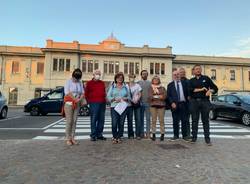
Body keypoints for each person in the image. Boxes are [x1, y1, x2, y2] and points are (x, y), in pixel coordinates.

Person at [189, 64, 218, 145]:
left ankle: (207, 139)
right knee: (194, 120)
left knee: (205, 121)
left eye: (199, 69)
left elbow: (215, 88)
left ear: (201, 70)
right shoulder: (191, 80)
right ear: (194, 71)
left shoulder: (206, 78)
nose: (198, 70)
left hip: (205, 102)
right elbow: (190, 90)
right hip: (194, 102)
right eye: (196, 69)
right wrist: (201, 89)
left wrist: (210, 91)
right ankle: (194, 138)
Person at [107, 72, 131, 144]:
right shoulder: (112, 86)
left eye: (121, 78)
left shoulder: (126, 87)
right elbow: (108, 96)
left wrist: (125, 98)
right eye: (118, 78)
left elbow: (129, 97)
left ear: (123, 79)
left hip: (123, 107)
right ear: (116, 79)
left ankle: (119, 137)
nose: (120, 79)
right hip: (114, 107)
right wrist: (114, 99)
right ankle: (114, 137)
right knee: (114, 123)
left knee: (121, 123)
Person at [63, 68, 85, 146]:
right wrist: (74, 99)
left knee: (75, 121)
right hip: (69, 103)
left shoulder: (80, 82)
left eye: (78, 78)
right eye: (75, 78)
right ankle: (68, 139)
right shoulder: (68, 82)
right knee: (69, 121)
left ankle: (73, 138)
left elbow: (82, 92)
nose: (76, 80)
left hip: (77, 103)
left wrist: (79, 99)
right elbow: (67, 92)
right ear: (73, 76)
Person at [167, 69, 189, 141]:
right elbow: (169, 96)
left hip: (184, 104)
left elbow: (189, 93)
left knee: (184, 121)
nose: (176, 76)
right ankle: (176, 135)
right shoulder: (170, 85)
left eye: (177, 74)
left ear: (180, 75)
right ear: (173, 76)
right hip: (175, 105)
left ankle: (185, 136)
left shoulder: (185, 83)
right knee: (175, 121)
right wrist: (171, 102)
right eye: (175, 75)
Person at [85, 70, 106, 141]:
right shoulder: (89, 83)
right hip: (93, 103)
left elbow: (104, 92)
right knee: (94, 119)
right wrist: (88, 102)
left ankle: (99, 134)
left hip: (102, 103)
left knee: (101, 120)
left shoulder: (102, 83)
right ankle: (93, 135)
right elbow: (86, 93)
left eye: (99, 74)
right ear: (93, 75)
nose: (98, 75)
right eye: (97, 74)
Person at [149, 75, 166, 141]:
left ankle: (162, 134)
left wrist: (155, 96)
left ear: (159, 80)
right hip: (153, 106)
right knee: (153, 120)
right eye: (154, 79)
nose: (156, 80)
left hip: (161, 106)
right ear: (152, 80)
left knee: (161, 120)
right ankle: (153, 134)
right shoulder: (150, 88)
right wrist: (159, 96)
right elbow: (150, 97)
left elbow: (164, 96)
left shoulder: (162, 88)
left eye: (157, 79)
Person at [126, 74, 142, 140]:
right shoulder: (126, 86)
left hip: (136, 103)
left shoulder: (137, 85)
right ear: (129, 78)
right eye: (130, 77)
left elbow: (140, 93)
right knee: (130, 119)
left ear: (134, 78)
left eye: (133, 77)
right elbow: (125, 94)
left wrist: (137, 99)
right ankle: (130, 134)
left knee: (138, 119)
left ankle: (138, 134)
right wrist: (131, 99)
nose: (131, 78)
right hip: (129, 104)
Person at [138, 70, 151, 138]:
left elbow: (152, 92)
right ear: (141, 75)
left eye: (146, 74)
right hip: (140, 103)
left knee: (148, 118)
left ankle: (148, 133)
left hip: (148, 103)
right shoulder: (138, 83)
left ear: (147, 75)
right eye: (143, 74)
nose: (144, 75)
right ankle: (142, 133)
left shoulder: (150, 83)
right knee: (141, 119)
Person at [179, 67, 191, 138]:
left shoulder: (189, 81)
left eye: (183, 72)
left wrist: (190, 96)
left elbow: (191, 91)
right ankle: (179, 134)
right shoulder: (176, 81)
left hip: (186, 104)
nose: (182, 73)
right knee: (178, 120)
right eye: (181, 72)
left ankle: (187, 134)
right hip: (178, 104)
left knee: (186, 120)